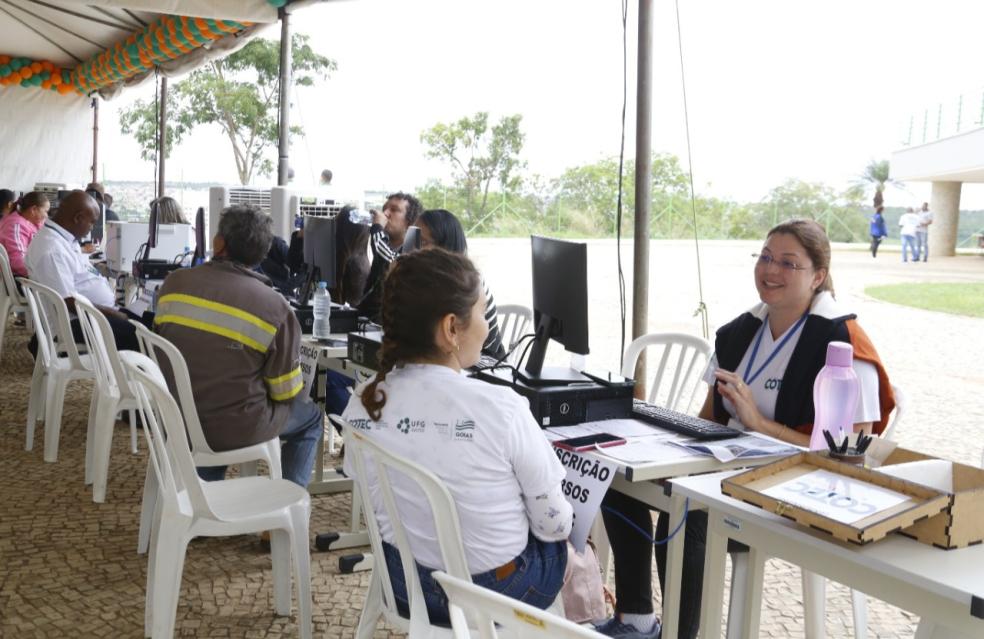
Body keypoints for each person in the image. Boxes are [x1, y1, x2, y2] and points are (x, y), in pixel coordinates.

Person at [598, 219, 895, 639]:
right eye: (766, 257)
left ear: (819, 277)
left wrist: (760, 424)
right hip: (722, 468)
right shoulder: (741, 332)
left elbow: (848, 457)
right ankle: (637, 619)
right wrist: (662, 448)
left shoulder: (844, 343)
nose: (771, 271)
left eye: (789, 263)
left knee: (685, 516)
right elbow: (707, 418)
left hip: (794, 488)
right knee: (617, 475)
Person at [341, 248, 572, 624]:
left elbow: (369, 491)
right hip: (492, 596)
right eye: (482, 313)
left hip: (404, 586)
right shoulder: (502, 408)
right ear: (451, 328)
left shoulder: (363, 402)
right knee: (566, 547)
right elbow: (554, 524)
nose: (487, 326)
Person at [154, 204, 322, 488]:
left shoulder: (173, 283)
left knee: (222, 389)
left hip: (173, 415)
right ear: (263, 252)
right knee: (311, 419)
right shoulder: (275, 308)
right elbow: (285, 393)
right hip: (232, 427)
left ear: (219, 243)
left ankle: (204, 488)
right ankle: (283, 505)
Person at [25, 190, 140, 354]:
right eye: (91, 222)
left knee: (147, 320)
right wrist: (111, 313)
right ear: (78, 218)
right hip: (74, 324)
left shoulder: (62, 239)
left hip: (85, 316)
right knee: (142, 336)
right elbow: (67, 302)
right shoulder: (52, 250)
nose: (92, 228)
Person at [414, 208, 505, 357]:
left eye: (423, 242)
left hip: (483, 361)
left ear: (444, 246)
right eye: (413, 238)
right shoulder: (425, 280)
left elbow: (453, 348)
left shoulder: (466, 284)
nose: (414, 248)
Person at [358, 192, 423, 320]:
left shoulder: (413, 251)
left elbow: (392, 261)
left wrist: (377, 228)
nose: (386, 214)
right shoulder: (383, 245)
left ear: (410, 221)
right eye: (385, 209)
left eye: (394, 210)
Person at [0, 191, 48, 277]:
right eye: (45, 211)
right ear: (33, 210)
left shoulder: (30, 222)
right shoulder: (15, 225)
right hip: (19, 279)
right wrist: (42, 275)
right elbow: (18, 261)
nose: (46, 215)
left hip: (28, 273)